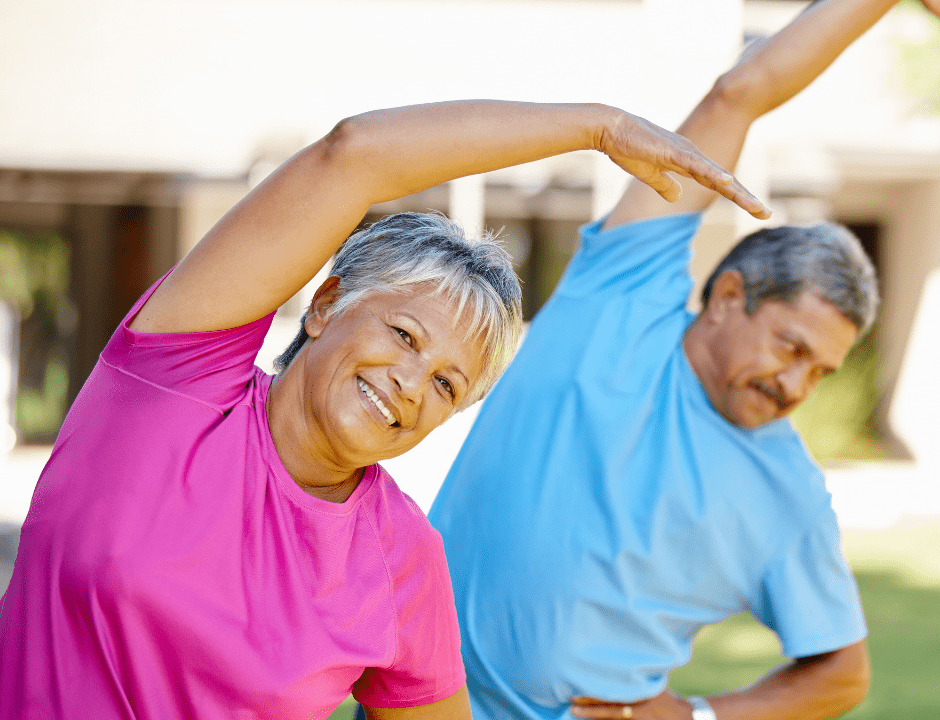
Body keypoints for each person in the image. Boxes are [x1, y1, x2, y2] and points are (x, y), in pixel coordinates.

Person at [0, 95, 766, 720]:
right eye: (403, 334)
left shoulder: (402, 559)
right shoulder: (175, 381)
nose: (410, 383)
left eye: (445, 385)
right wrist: (598, 127)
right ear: (327, 305)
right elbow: (352, 155)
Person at [428, 1, 927, 719]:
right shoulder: (619, 295)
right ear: (728, 295)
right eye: (791, 347)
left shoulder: (789, 491)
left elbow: (842, 675)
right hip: (409, 701)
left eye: (820, 371)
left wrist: (700, 717)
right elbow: (739, 94)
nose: (796, 384)